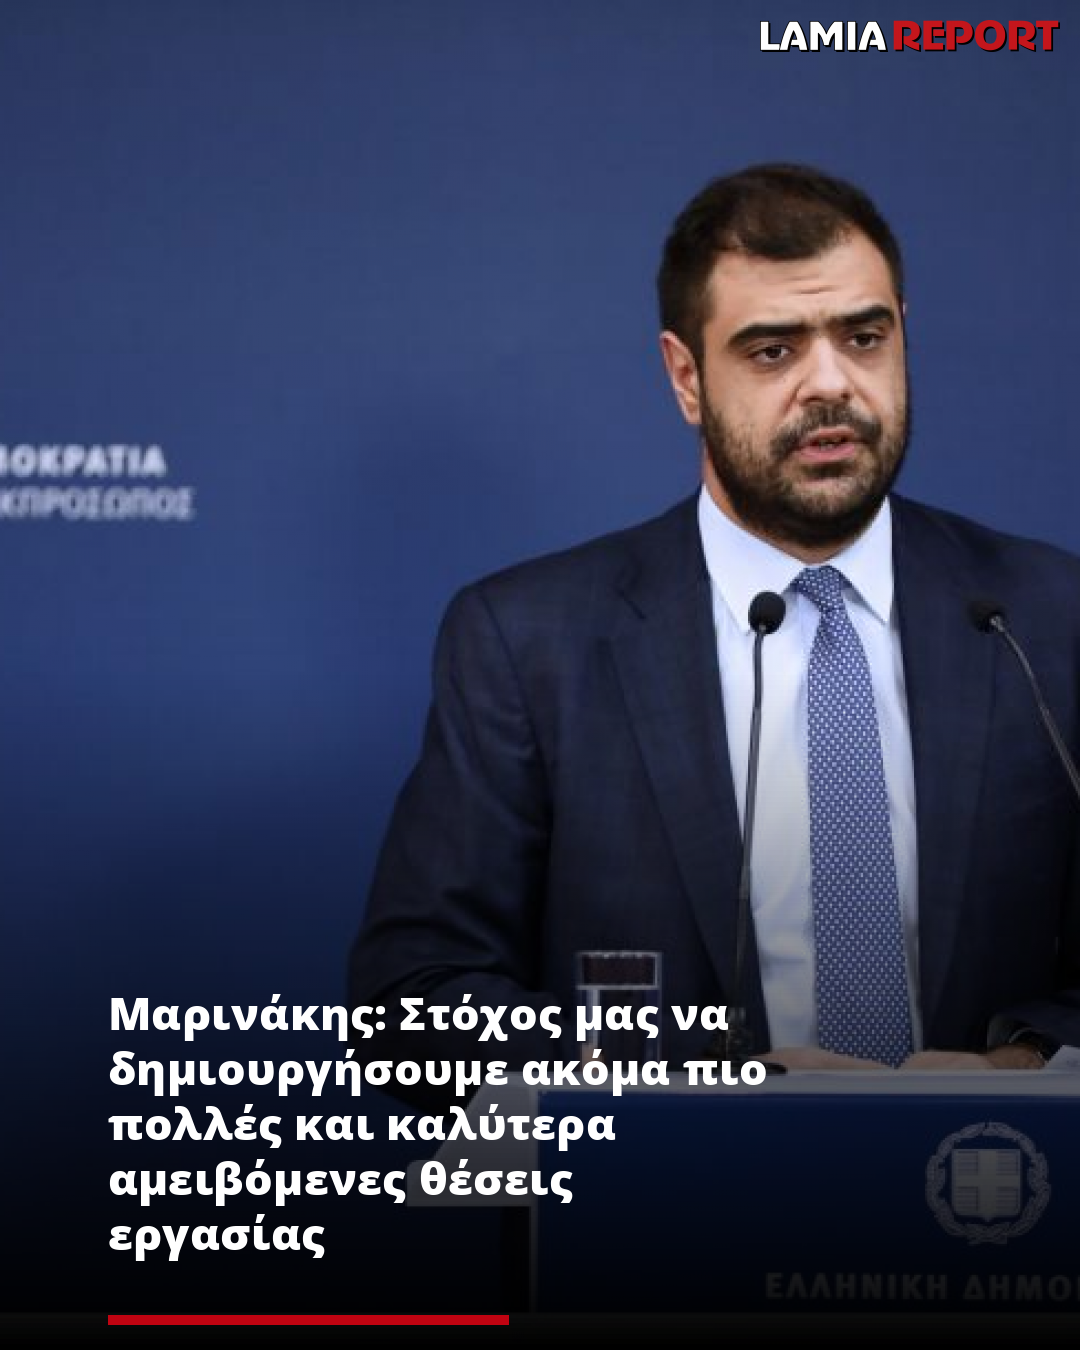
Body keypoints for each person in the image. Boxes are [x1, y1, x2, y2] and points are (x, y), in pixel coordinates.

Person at [349, 163, 1080, 1099]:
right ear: (687, 378)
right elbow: (413, 1004)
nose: (831, 385)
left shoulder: (1047, 617)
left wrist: (1022, 1069)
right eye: (772, 351)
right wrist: (709, 1090)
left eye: (864, 337)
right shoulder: (529, 643)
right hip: (671, 1183)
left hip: (984, 1176)